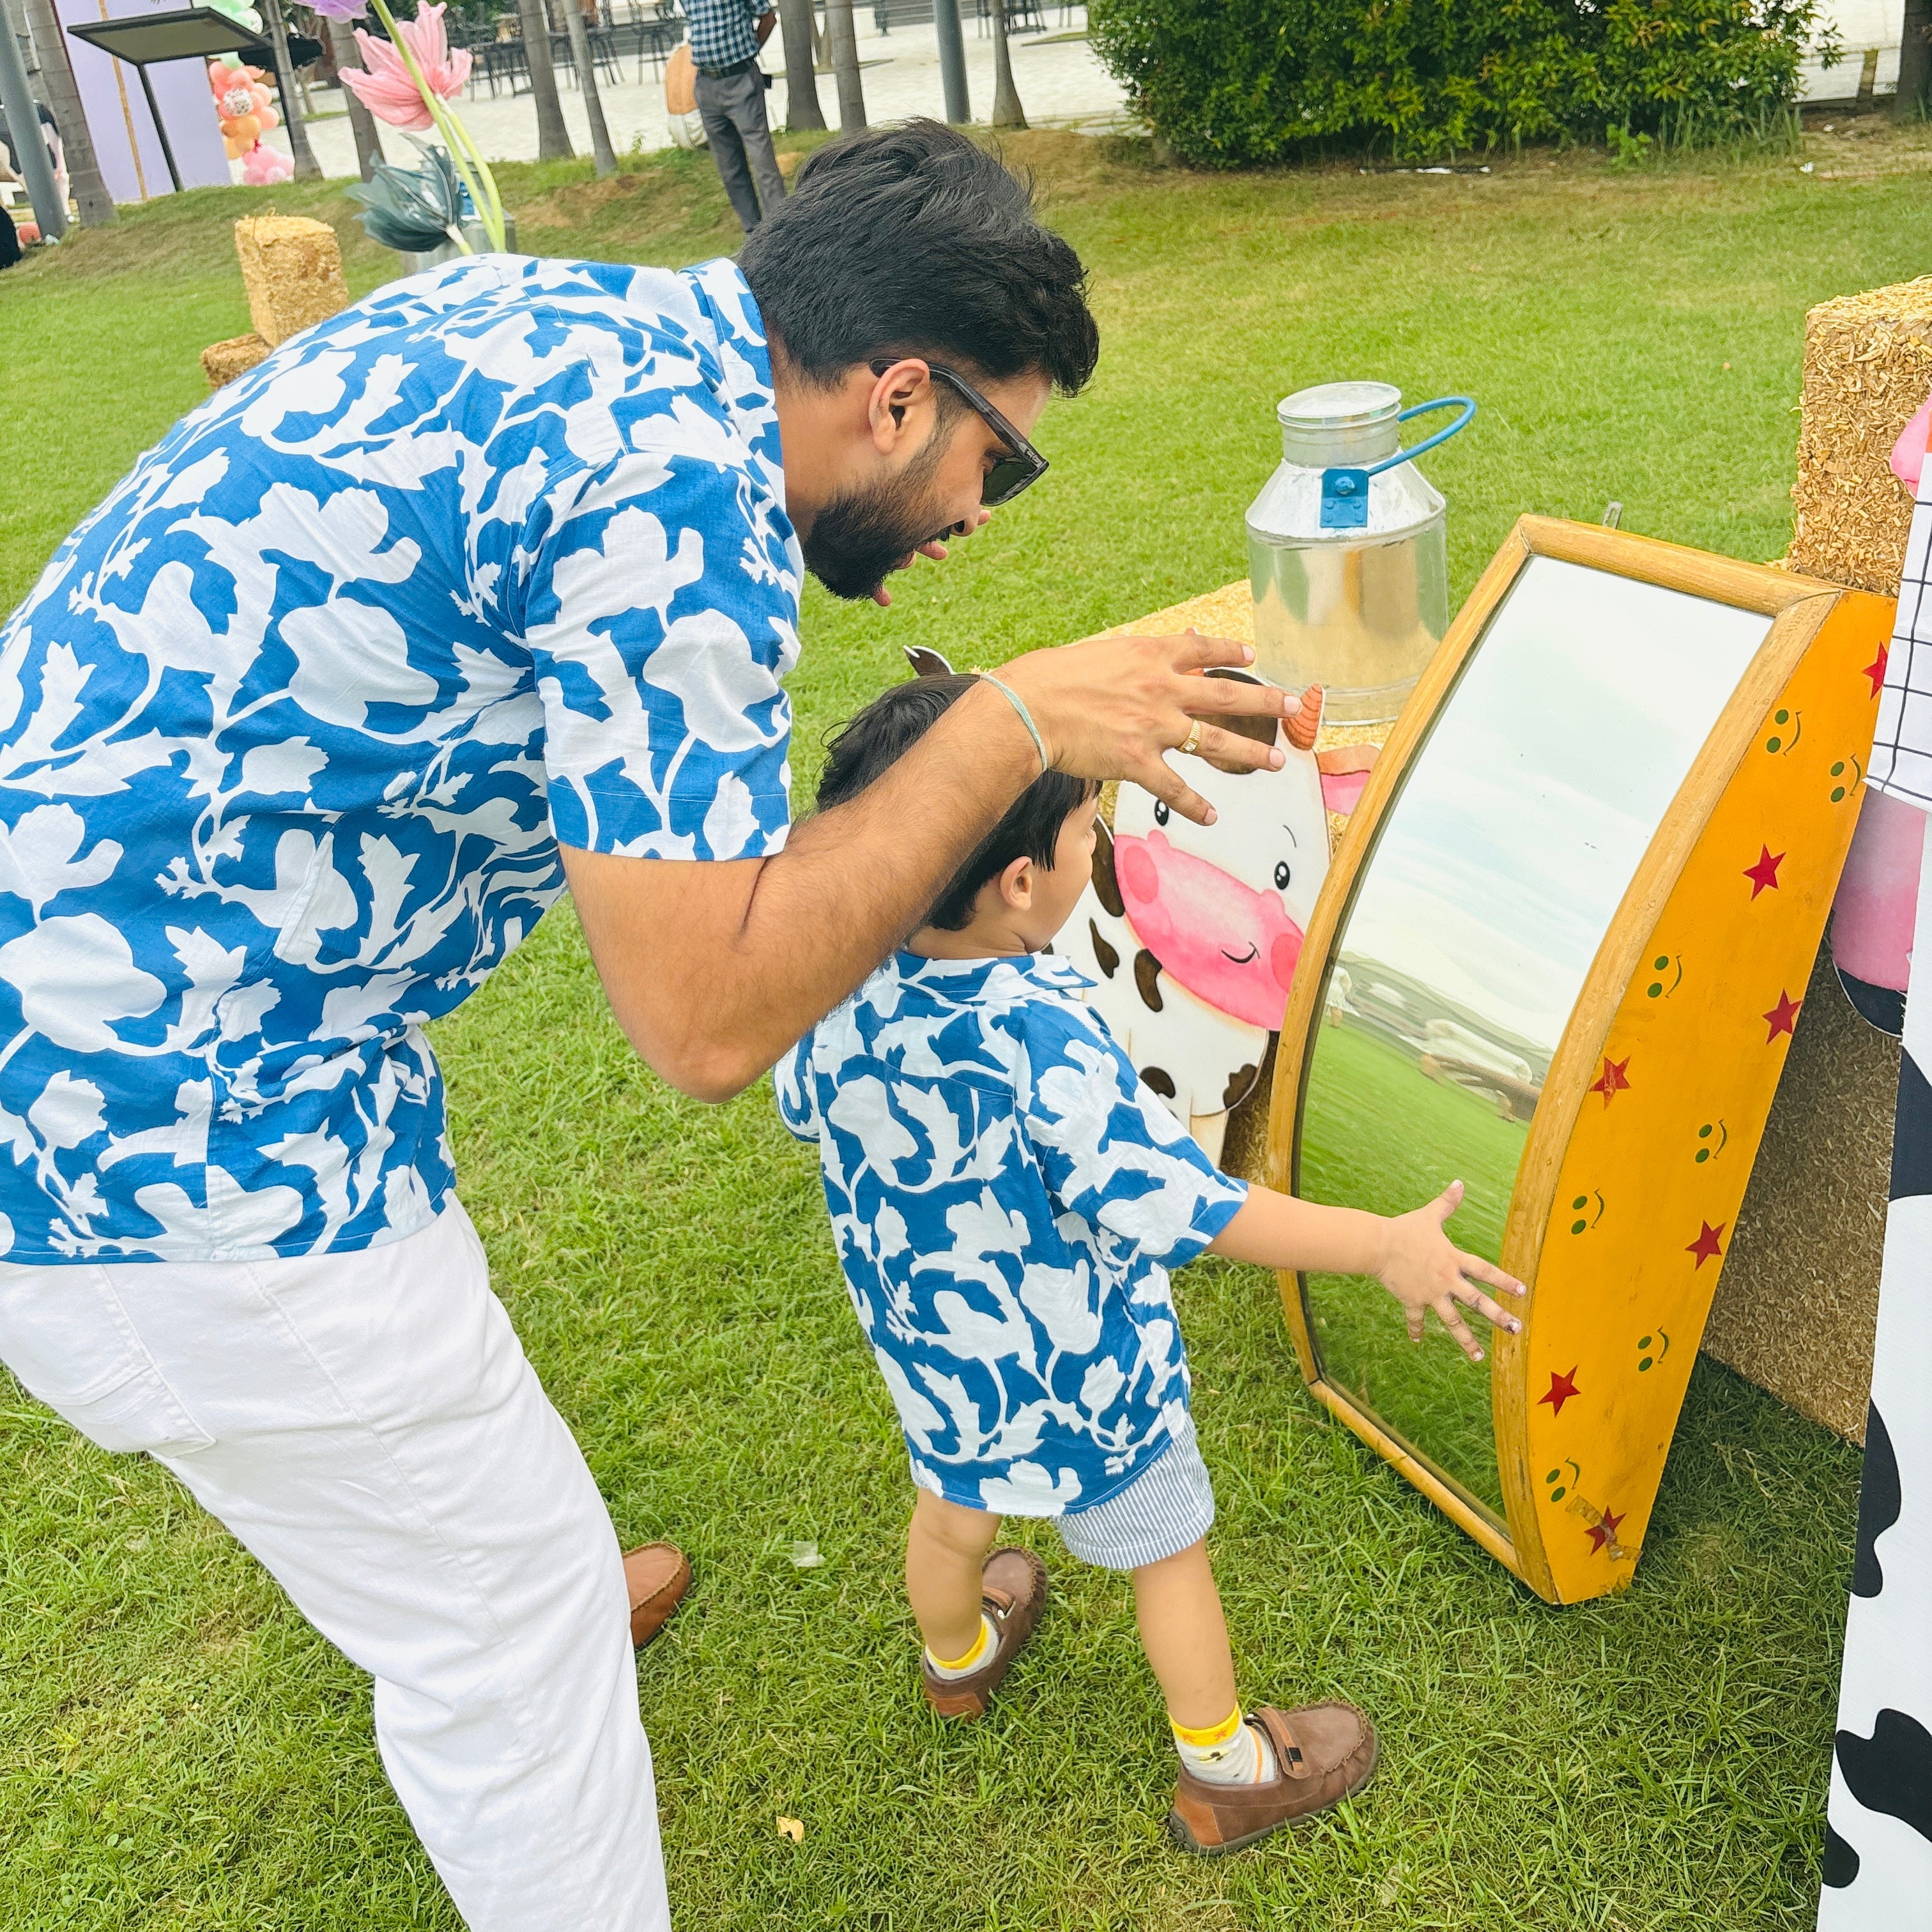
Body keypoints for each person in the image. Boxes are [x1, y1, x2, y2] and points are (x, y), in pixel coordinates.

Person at [0, 123, 1288, 1931]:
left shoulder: (560, 322)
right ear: (902, 398)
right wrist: (1007, 725)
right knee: (507, 1652)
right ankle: (507, 1595)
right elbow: (705, 1016)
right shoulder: (680, 500)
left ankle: (481, 1555)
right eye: (1006, 455)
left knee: (467, 1534)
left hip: (92, 1010)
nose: (986, 514)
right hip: (165, 1128)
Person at [776, 671, 1527, 1855]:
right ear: (1021, 881)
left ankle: (957, 1657)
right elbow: (1188, 1207)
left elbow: (802, 1112)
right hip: (1089, 1382)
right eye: (1089, 828)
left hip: (935, 1359)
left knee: (952, 1509)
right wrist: (1377, 1242)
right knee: (1164, 1555)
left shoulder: (825, 986)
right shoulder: (1035, 1026)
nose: (1101, 842)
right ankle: (1224, 1767)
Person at [685, 0, 786, 232]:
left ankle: (781, 230)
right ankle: (753, 233)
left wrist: (750, 50)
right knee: (730, 169)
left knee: (762, 162)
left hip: (741, 79)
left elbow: (768, 16)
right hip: (706, 84)